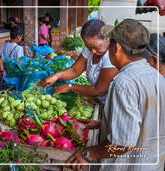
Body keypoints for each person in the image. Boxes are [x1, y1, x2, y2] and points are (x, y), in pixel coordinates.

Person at [66, 19, 165, 171]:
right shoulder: (156, 76)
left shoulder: (123, 83)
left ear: (116, 47)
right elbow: (145, 120)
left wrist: (89, 153)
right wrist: (105, 123)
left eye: (110, 42)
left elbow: (122, 143)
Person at [38, 19, 118, 105]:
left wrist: (70, 86)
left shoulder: (112, 55)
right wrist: (56, 76)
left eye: (96, 46)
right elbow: (74, 70)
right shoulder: (89, 50)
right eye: (89, 47)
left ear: (106, 38)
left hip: (111, 104)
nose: (92, 51)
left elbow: (99, 90)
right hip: (99, 102)